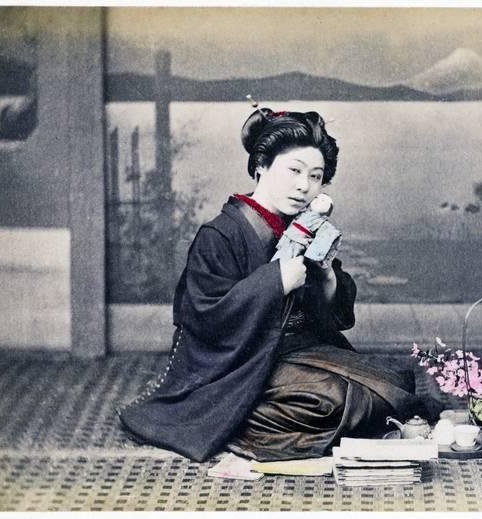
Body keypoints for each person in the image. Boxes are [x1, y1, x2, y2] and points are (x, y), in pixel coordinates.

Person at [118, 107, 427, 462]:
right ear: (261, 165)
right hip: (237, 364)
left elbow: (329, 315)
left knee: (390, 386)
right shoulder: (220, 234)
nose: (303, 186)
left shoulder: (301, 224)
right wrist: (276, 280)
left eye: (315, 176)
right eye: (293, 170)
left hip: (294, 352)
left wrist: (326, 276)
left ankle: (252, 415)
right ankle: (230, 419)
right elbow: (206, 316)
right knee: (334, 403)